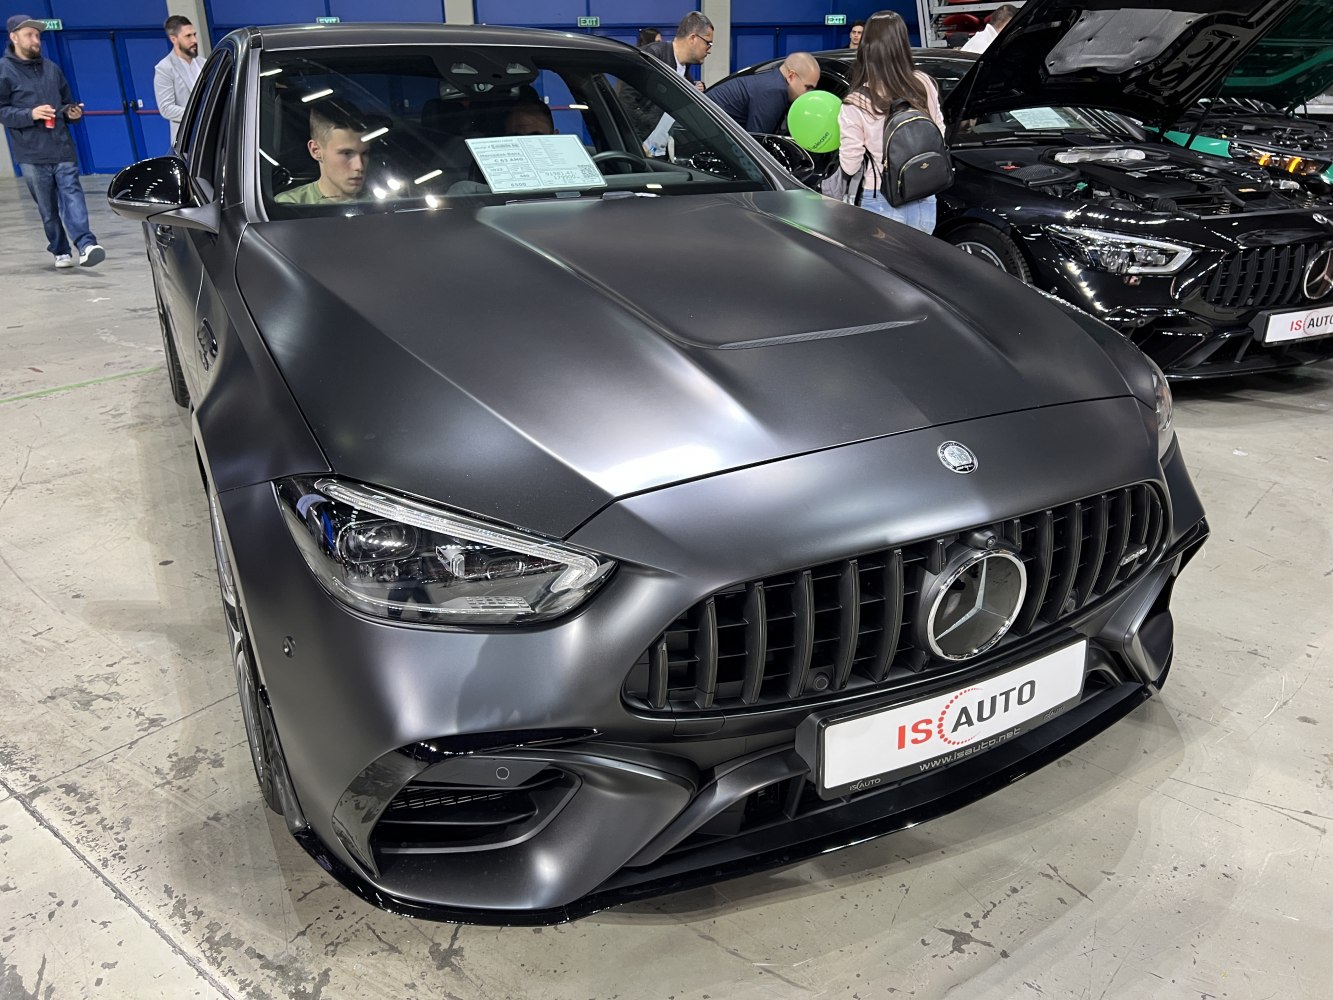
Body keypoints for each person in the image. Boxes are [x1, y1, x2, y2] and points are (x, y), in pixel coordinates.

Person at [0, 14, 104, 268]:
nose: (36, 40)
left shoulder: (51, 68)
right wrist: (30, 114)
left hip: (62, 147)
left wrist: (72, 113)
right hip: (32, 154)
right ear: (14, 38)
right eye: (30, 35)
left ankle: (86, 244)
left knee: (73, 196)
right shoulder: (4, 71)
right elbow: (2, 110)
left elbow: (67, 102)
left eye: (38, 35)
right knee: (48, 209)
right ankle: (60, 249)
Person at [835, 10, 945, 233]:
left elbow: (850, 163)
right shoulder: (924, 83)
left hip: (880, 197)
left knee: (881, 268)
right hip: (925, 194)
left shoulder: (857, 100)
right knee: (917, 266)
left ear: (867, 47)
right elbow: (939, 133)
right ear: (902, 43)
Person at [276, 104, 370, 204]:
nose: (359, 166)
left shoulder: (383, 203)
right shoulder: (290, 206)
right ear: (316, 151)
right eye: (346, 153)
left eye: (365, 153)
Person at [706, 52, 820, 134]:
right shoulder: (774, 91)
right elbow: (755, 145)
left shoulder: (771, 80)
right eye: (808, 87)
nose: (809, 95)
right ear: (791, 76)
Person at [153, 14, 201, 145]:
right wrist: (200, 113)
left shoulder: (205, 63)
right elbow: (166, 108)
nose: (194, 40)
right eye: (188, 36)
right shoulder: (164, 68)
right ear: (173, 39)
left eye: (194, 34)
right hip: (186, 140)